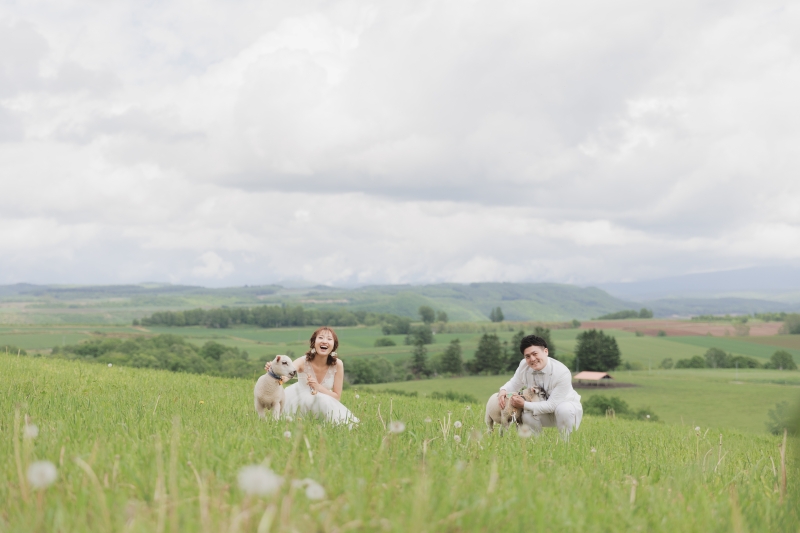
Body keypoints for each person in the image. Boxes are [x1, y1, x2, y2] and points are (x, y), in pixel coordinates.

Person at [264, 326, 358, 424]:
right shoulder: (302, 362)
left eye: (329, 339)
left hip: (323, 402)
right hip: (299, 401)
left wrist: (318, 387)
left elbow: (337, 397)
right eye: (321, 338)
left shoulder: (338, 364)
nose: (325, 341)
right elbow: (285, 376)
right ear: (314, 342)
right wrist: (274, 371)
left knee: (325, 402)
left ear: (334, 346)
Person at [498, 334, 582, 436]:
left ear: (545, 351)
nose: (532, 359)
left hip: (566, 410)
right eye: (527, 356)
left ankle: (567, 444)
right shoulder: (523, 365)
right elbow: (515, 382)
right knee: (527, 414)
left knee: (564, 409)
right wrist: (503, 391)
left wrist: (523, 404)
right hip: (541, 410)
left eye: (535, 354)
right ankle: (536, 444)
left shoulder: (562, 372)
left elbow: (552, 405)